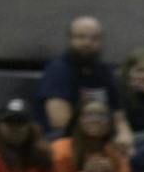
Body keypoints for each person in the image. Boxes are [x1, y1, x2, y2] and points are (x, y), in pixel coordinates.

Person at [36, 16, 132, 148]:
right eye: (81, 37)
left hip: (102, 138)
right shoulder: (58, 70)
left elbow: (118, 115)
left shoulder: (104, 72)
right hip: (66, 139)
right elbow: (60, 121)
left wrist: (124, 134)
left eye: (94, 38)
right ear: (70, 39)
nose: (88, 43)